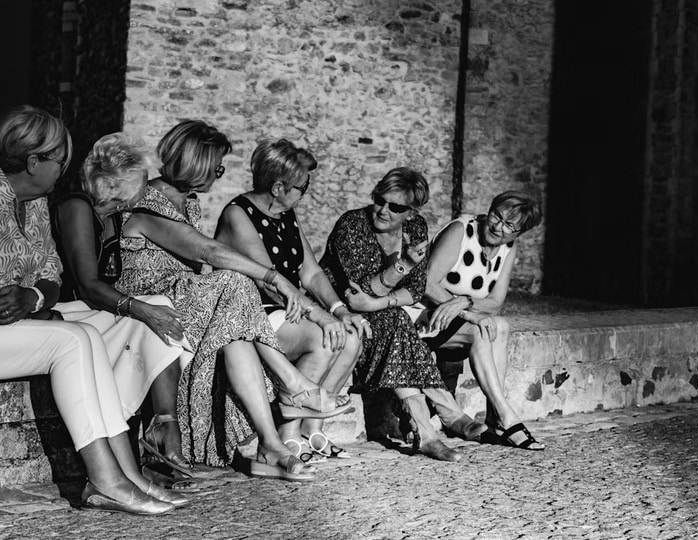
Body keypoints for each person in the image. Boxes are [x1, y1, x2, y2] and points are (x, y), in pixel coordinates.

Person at [0, 106, 185, 516]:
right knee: (73, 341)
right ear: (33, 161)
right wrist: (33, 297)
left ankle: (127, 474)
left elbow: (51, 274)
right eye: (60, 161)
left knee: (93, 332)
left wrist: (35, 296)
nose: (64, 170)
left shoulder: (35, 200)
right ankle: (105, 479)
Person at [115, 120, 351, 481]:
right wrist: (273, 278)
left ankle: (270, 444)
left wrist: (332, 308)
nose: (220, 175)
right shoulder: (149, 204)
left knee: (237, 337)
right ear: (197, 163)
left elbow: (309, 270)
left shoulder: (188, 202)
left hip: (186, 301)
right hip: (153, 302)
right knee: (236, 281)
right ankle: (292, 385)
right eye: (217, 167)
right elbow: (208, 251)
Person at [52, 132, 196, 480]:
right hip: (65, 313)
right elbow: (87, 285)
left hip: (93, 313)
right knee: (153, 313)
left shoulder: (115, 218)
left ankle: (161, 423)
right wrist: (143, 310)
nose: (148, 188)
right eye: (142, 180)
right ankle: (130, 428)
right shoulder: (76, 207)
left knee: (161, 310)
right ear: (119, 181)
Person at [214, 139, 369, 461]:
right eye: (302, 187)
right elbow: (270, 282)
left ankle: (313, 430)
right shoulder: (238, 214)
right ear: (278, 186)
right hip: (256, 311)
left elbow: (310, 272)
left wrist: (339, 310)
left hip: (292, 308)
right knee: (324, 339)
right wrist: (321, 317)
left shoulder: (286, 214)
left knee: (351, 338)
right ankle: (288, 434)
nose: (305, 193)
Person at [320, 167, 484, 462]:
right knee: (396, 322)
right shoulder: (352, 226)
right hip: (338, 310)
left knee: (394, 321)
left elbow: (417, 290)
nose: (383, 210)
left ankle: (428, 430)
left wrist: (379, 303)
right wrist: (403, 265)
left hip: (379, 315)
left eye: (395, 207)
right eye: (379, 200)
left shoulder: (416, 228)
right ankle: (443, 415)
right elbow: (359, 295)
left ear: (411, 212)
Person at [418, 190, 545, 450]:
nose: (498, 227)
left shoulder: (508, 247)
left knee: (501, 325)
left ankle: (495, 417)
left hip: (459, 319)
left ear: (519, 233)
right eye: (497, 216)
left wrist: (464, 302)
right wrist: (465, 312)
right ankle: (506, 415)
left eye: (509, 225)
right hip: (424, 316)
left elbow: (496, 302)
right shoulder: (461, 231)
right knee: (482, 330)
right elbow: (427, 283)